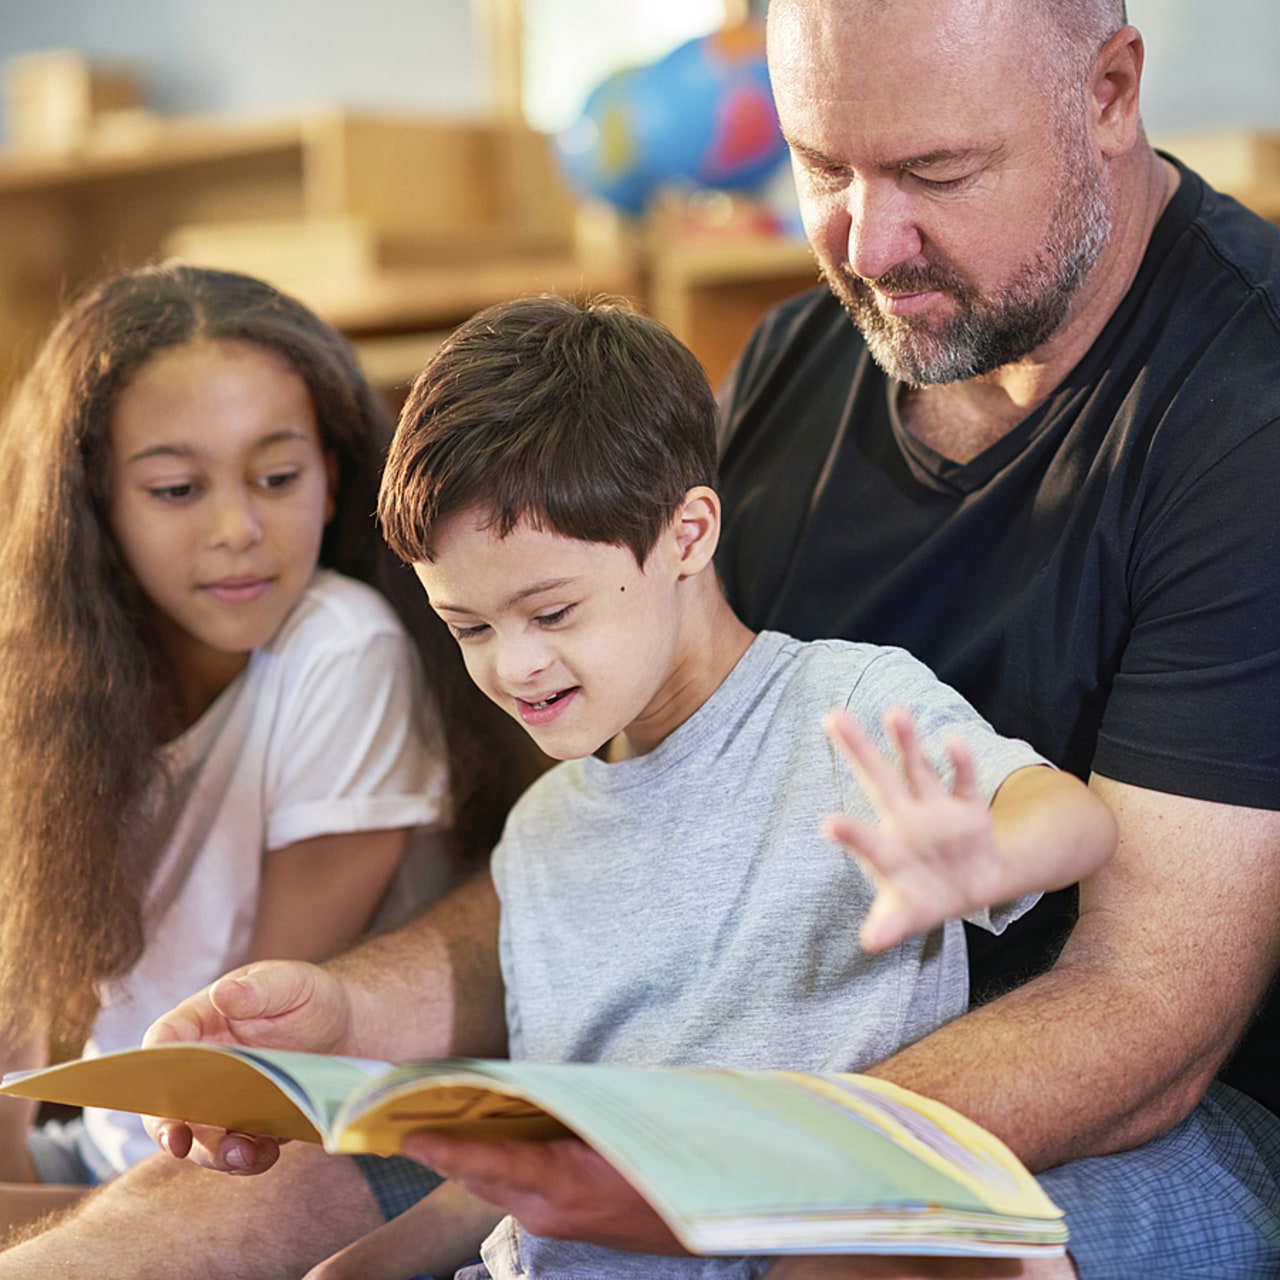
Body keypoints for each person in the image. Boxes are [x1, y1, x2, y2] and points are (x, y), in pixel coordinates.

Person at [3, 0, 1278, 1274]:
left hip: (1116, 1107)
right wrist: (347, 1013)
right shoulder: (801, 354)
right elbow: (622, 860)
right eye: (821, 167)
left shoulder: (1242, 407)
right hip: (699, 1084)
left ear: (1108, 93)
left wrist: (711, 1164)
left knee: (848, 1255)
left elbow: (1146, 1010)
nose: (867, 242)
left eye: (934, 170)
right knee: (195, 1219)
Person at [158, 291, 1115, 1280]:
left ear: (688, 535)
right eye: (469, 626)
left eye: (551, 611)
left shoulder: (842, 710)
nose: (515, 665)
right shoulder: (543, 833)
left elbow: (1074, 821)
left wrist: (988, 856)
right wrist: (356, 1267)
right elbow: (547, 1157)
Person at [0, 262, 533, 1241]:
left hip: (297, 1156)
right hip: (115, 1157)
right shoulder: (48, 691)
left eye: (277, 478)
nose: (237, 530)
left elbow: (236, 1088)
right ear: (94, 504)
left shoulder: (341, 647)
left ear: (332, 476)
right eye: (175, 489)